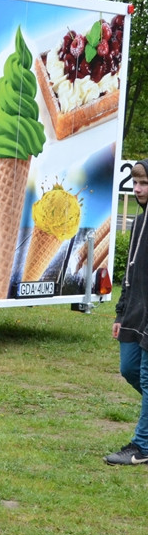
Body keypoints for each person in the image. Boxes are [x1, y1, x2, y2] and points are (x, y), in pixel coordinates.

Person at [105, 159, 148, 465]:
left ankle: (141, 447)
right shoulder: (138, 221)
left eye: (144, 183)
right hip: (135, 311)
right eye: (135, 183)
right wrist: (121, 313)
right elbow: (130, 272)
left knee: (147, 378)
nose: (138, 188)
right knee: (129, 369)